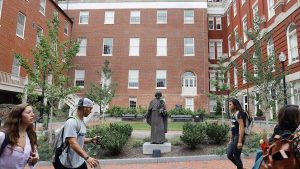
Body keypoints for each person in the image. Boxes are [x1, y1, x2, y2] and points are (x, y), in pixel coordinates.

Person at [54, 98, 100, 169]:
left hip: (79, 161)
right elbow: (72, 142)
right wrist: (87, 157)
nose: (91, 111)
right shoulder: (71, 122)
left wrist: (91, 140)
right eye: (90, 109)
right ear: (84, 108)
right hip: (67, 162)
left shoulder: (81, 122)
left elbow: (77, 139)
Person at [252, 105, 300, 169]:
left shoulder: (279, 128)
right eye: (299, 115)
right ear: (294, 119)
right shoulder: (288, 137)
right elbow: (284, 156)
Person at [0, 103, 39, 169]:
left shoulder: (31, 135)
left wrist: (35, 159)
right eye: (28, 112)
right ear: (19, 117)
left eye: (32, 112)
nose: (33, 115)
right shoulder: (3, 136)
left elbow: (30, 159)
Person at [227, 98, 246, 169]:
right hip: (234, 137)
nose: (229, 106)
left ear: (235, 105)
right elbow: (233, 127)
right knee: (229, 155)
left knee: (237, 156)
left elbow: (241, 128)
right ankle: (240, 167)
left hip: (238, 137)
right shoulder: (233, 114)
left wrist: (240, 141)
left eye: (230, 104)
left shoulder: (238, 114)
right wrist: (231, 139)